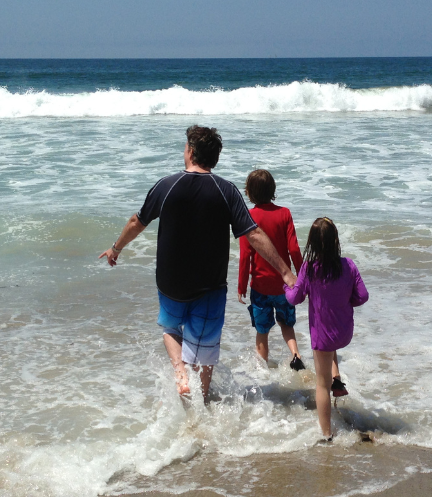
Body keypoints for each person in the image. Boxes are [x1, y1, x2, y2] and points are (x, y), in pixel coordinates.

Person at [100, 125, 296, 403]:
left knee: (170, 328)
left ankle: (180, 375)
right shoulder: (226, 190)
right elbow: (253, 234)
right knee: (204, 350)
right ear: (213, 158)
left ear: (191, 151)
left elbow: (137, 222)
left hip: (170, 283)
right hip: (209, 286)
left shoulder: (166, 185)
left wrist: (115, 248)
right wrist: (286, 272)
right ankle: (201, 400)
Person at [285, 217, 369, 441]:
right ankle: (338, 379)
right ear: (336, 241)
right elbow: (362, 296)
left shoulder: (309, 269)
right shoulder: (349, 265)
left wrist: (286, 285)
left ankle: (326, 435)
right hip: (344, 332)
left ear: (311, 244)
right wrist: (344, 300)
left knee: (321, 385)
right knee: (330, 359)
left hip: (323, 338)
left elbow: (295, 298)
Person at [237, 169, 306, 370]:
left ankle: (262, 371)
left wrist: (241, 285)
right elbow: (293, 248)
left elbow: (245, 256)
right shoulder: (284, 213)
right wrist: (302, 276)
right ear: (273, 189)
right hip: (284, 286)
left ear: (248, 192)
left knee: (262, 330)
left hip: (260, 286)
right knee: (287, 324)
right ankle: (296, 355)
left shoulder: (248, 217)